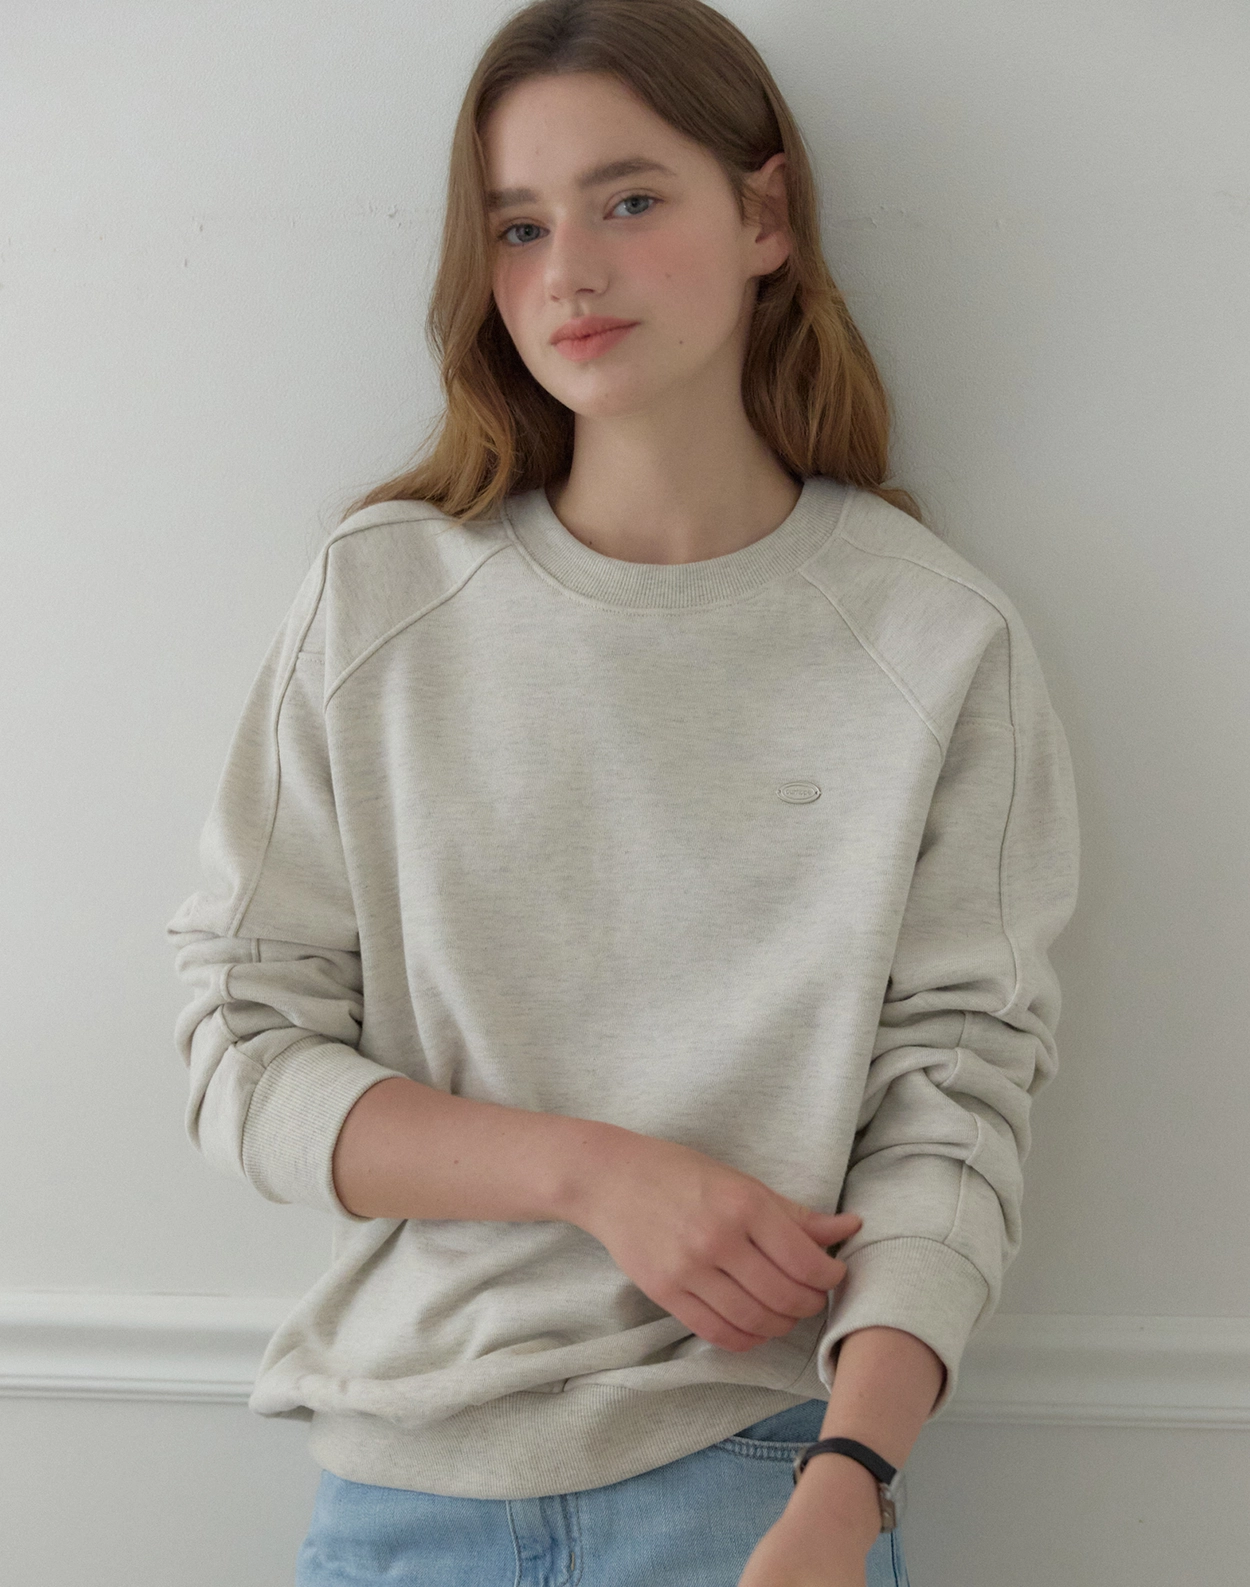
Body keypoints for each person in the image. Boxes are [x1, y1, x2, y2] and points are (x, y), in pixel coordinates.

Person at [165, 2, 1080, 1583]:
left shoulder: (934, 640)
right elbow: (239, 1048)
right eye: (517, 226)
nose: (567, 274)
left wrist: (846, 1484)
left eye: (629, 199)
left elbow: (956, 1109)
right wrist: (595, 1175)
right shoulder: (377, 599)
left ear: (765, 217)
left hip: (757, 1482)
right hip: (401, 1490)